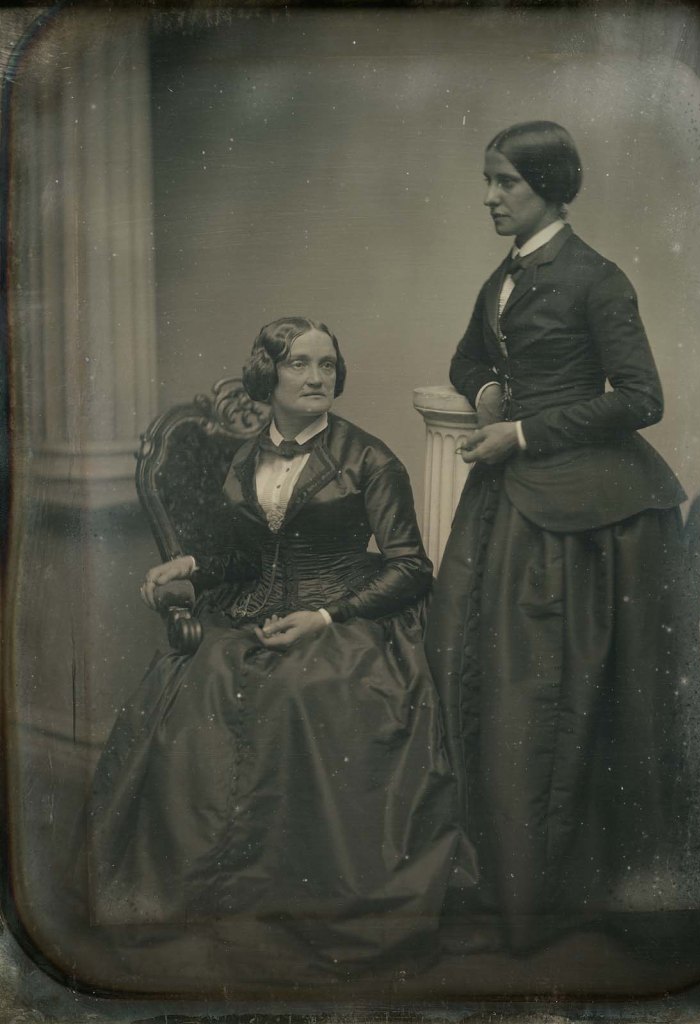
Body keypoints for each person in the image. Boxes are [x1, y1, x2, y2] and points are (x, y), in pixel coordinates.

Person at [88, 316, 472, 980]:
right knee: (203, 686)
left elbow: (410, 567)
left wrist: (324, 616)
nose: (316, 377)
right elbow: (240, 557)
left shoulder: (369, 457)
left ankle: (303, 905)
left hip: (347, 619)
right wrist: (188, 567)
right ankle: (215, 897)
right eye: (299, 363)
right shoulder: (243, 457)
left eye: (326, 364)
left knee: (303, 692)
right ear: (269, 372)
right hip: (251, 612)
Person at [426, 122, 700, 955]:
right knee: (487, 681)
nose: (489, 196)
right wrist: (484, 398)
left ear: (547, 185)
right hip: (509, 506)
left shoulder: (595, 279)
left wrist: (523, 433)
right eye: (488, 181)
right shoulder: (502, 277)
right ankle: (509, 886)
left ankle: (574, 898)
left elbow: (641, 398)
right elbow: (465, 359)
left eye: (504, 183)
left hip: (589, 518)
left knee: (556, 697)